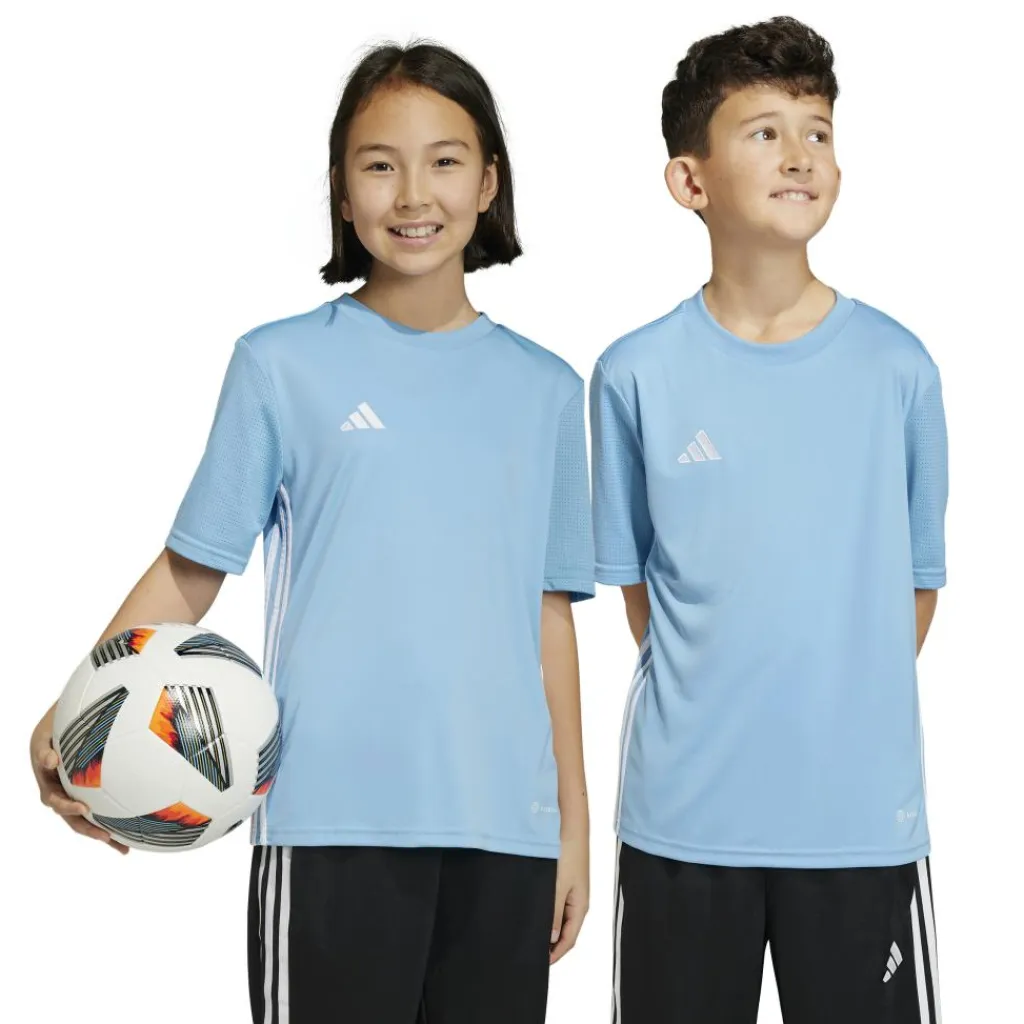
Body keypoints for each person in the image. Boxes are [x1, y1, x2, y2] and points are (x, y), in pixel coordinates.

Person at [30, 40, 594, 1024]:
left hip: (506, 829)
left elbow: (549, 619)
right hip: (331, 819)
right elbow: (193, 570)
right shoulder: (281, 365)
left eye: (444, 160)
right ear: (340, 188)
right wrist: (79, 707)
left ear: (488, 183)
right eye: (379, 164)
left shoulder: (547, 389)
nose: (412, 193)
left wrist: (573, 826)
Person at [590, 16, 947, 1023]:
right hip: (682, 824)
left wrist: (834, 713)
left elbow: (916, 586)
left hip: (857, 826)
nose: (800, 155)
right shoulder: (634, 374)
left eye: (817, 131)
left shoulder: (898, 368)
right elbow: (639, 590)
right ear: (689, 180)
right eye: (764, 132)